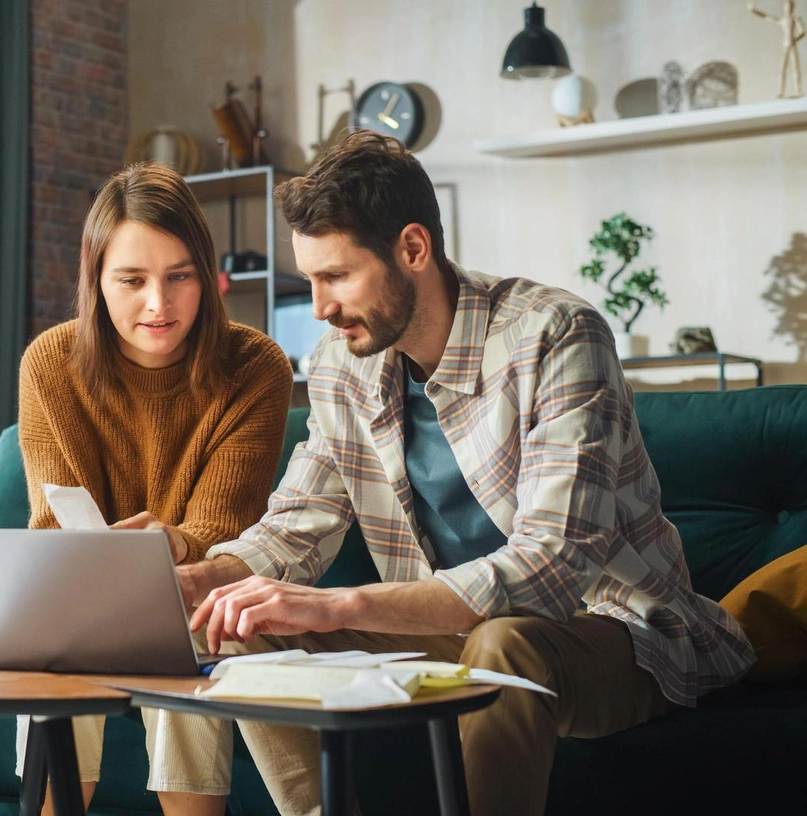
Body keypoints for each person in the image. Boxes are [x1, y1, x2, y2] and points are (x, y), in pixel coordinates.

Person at [178, 131, 755, 816]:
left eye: (336, 277)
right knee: (235, 619)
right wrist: (195, 580)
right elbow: (294, 528)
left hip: (609, 629)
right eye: (310, 280)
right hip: (446, 632)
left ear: (413, 249)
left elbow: (551, 568)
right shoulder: (341, 367)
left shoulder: (557, 335)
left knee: (503, 642)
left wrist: (342, 603)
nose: (321, 308)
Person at [17, 162, 293, 815]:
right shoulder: (50, 364)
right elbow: (56, 535)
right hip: (78, 599)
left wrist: (168, 545)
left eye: (179, 277)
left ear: (208, 275)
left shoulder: (256, 366)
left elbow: (222, 534)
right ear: (96, 280)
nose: (158, 305)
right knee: (57, 633)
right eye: (132, 281)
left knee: (185, 623)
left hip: (196, 596)